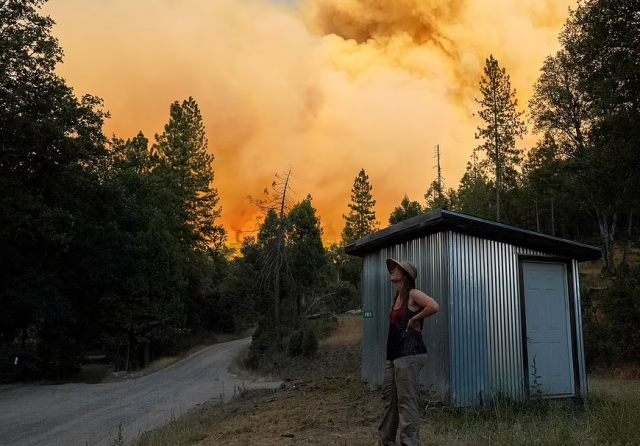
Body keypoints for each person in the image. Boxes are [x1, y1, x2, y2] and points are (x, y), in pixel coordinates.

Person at [378, 258, 440, 446]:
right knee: (391, 399)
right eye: (393, 268)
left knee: (407, 401)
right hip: (395, 354)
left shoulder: (413, 293)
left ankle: (409, 442)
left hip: (410, 353)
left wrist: (415, 319)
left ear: (405, 275)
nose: (393, 271)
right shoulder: (396, 297)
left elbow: (434, 306)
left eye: (397, 269)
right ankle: (386, 440)